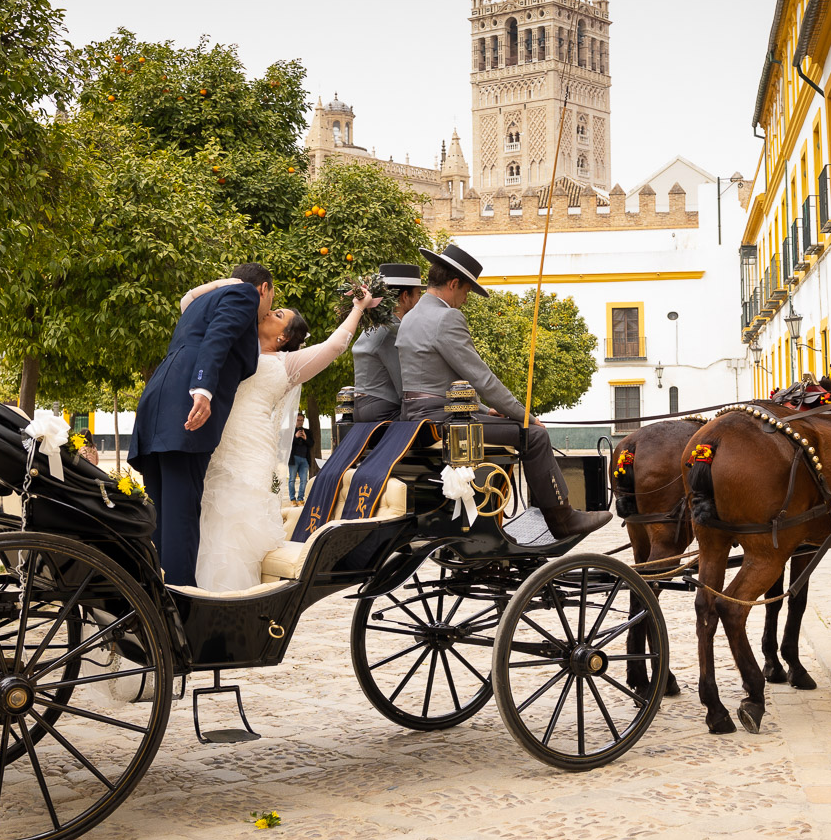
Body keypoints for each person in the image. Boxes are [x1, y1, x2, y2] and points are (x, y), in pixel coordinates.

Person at [397, 244, 611, 540]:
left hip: (417, 419)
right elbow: (482, 379)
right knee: (534, 436)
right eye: (467, 292)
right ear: (454, 283)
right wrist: (525, 416)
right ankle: (563, 519)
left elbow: (440, 384)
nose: (465, 301)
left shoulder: (410, 318)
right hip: (443, 423)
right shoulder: (446, 318)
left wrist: (486, 411)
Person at [196, 283, 380, 592]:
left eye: (278, 314)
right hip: (222, 447)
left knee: (238, 524)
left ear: (283, 337)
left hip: (250, 450)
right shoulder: (239, 349)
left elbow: (335, 346)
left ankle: (234, 597)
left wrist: (358, 309)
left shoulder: (286, 364)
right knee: (214, 522)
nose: (268, 312)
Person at [129, 263, 271, 586]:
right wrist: (203, 389)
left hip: (156, 405)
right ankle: (179, 613)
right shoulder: (245, 294)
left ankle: (153, 603)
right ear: (264, 288)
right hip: (186, 409)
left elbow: (186, 299)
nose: (267, 312)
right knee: (180, 522)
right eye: (271, 300)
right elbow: (218, 338)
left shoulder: (198, 305)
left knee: (160, 522)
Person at [351, 262, 425, 422]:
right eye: (418, 294)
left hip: (362, 410)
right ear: (405, 296)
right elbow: (404, 388)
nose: (420, 301)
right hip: (384, 412)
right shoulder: (394, 330)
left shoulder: (374, 327)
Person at [287, 414, 312, 503]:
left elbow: (311, 444)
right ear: (295, 420)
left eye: (301, 420)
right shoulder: (290, 432)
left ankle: (300, 498)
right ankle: (292, 499)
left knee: (304, 480)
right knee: (292, 479)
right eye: (298, 420)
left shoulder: (307, 432)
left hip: (304, 459)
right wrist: (295, 437)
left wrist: (305, 438)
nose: (300, 422)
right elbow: (287, 445)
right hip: (294, 459)